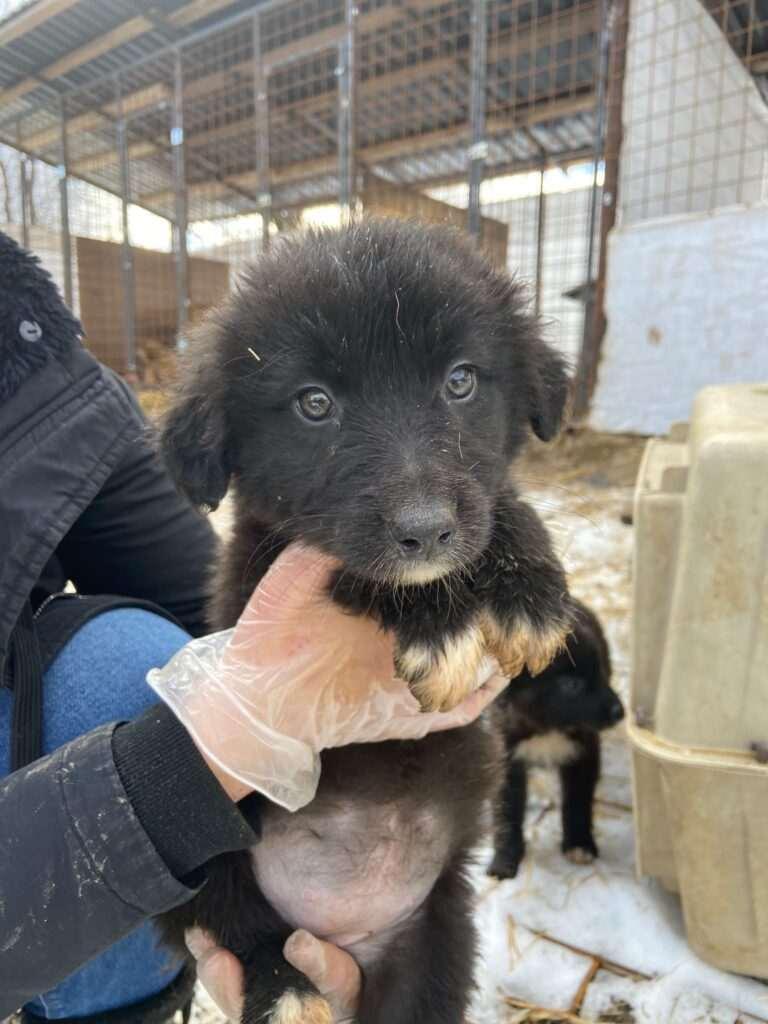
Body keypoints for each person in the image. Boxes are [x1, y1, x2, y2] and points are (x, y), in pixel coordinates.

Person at [0, 230, 505, 1022]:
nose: (419, 498)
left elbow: (195, 594)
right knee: (116, 672)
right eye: (316, 404)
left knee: (139, 658)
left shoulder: (26, 337)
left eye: (460, 381)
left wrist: (290, 656)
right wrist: (212, 749)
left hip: (373, 853)